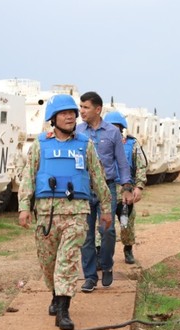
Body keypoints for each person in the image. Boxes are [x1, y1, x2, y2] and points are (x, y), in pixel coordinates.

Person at [18, 94, 112, 330]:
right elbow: (28, 177)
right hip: (46, 215)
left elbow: (98, 178)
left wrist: (106, 209)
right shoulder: (40, 144)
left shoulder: (85, 145)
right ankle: (55, 294)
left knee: (67, 262)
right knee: (48, 264)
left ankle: (64, 310)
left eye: (73, 112)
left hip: (76, 214)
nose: (70, 116)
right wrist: (23, 208)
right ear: (54, 118)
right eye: (64, 113)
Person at [76, 91, 134, 293]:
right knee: (86, 235)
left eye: (85, 107)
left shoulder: (112, 132)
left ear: (98, 109)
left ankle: (107, 265)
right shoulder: (77, 131)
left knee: (107, 231)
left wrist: (127, 187)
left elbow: (122, 162)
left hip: (107, 189)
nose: (81, 111)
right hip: (84, 189)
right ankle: (90, 276)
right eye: (80, 107)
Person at [104, 111, 148, 264]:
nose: (113, 130)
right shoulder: (100, 142)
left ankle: (128, 249)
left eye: (116, 127)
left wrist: (139, 187)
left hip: (125, 191)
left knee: (126, 222)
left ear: (121, 128)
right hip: (106, 190)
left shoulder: (131, 144)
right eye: (109, 127)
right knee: (104, 224)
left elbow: (141, 166)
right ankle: (102, 255)